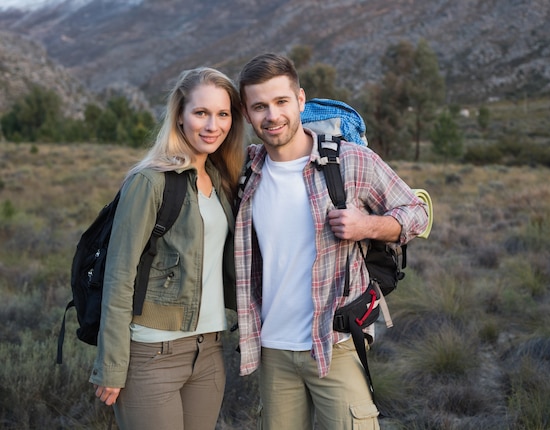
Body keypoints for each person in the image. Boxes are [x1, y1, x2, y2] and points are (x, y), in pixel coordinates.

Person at [235, 53, 431, 430]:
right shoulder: (247, 171)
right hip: (273, 350)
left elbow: (416, 213)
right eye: (259, 106)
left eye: (281, 102)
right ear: (247, 113)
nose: (272, 116)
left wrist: (368, 226)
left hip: (336, 343)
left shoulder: (352, 161)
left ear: (300, 100)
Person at [90, 67, 244, 430]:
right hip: (151, 355)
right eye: (201, 113)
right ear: (179, 116)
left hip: (208, 353)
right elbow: (119, 275)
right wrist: (111, 364)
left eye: (223, 114)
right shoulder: (150, 181)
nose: (212, 125)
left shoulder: (222, 181)